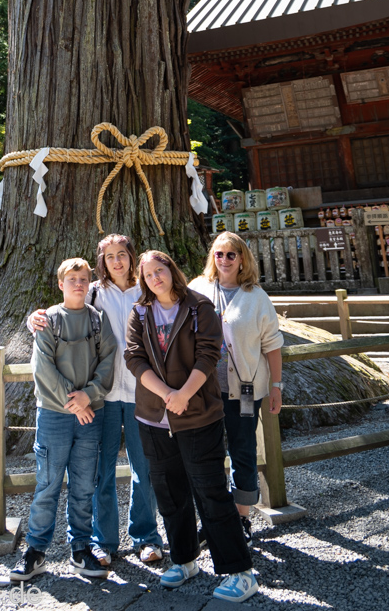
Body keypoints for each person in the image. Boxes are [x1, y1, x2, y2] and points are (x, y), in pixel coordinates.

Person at [124, 250, 257, 601]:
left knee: (210, 491)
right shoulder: (139, 313)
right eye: (148, 274)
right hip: (153, 416)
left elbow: (209, 353)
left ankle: (239, 571)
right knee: (169, 492)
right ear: (143, 280)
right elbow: (134, 357)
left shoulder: (199, 307)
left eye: (160, 269)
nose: (155, 277)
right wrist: (167, 393)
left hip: (197, 413)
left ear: (172, 269)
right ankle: (184, 559)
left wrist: (183, 394)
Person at [26, 234, 164, 567]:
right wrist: (33, 319)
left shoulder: (146, 290)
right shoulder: (92, 292)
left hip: (141, 391)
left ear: (132, 257)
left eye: (122, 254)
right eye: (110, 256)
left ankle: (146, 537)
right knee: (99, 471)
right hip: (101, 396)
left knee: (143, 467)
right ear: (101, 261)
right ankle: (103, 541)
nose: (117, 261)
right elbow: (58, 312)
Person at [11, 257, 117, 582]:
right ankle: (36, 550)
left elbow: (109, 361)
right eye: (72, 280)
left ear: (90, 283)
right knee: (47, 485)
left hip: (91, 414)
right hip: (55, 416)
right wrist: (76, 402)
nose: (78, 285)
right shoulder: (48, 321)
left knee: (84, 486)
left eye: (84, 279)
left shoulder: (98, 320)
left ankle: (81, 548)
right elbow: (42, 367)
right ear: (61, 284)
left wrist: (91, 395)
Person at [189, 231, 284, 543]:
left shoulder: (256, 296)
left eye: (231, 254)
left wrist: (276, 385)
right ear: (212, 258)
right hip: (204, 390)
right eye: (219, 254)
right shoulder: (198, 289)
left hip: (244, 390)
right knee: (207, 453)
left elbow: (272, 345)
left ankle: (242, 518)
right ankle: (214, 518)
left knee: (242, 450)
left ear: (242, 258)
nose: (225, 260)